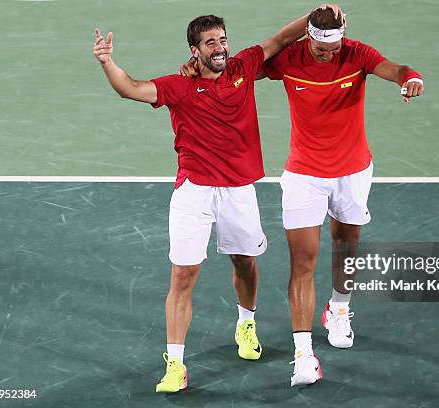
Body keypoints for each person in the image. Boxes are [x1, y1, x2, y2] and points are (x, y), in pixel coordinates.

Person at [92, 6, 343, 393]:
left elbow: (279, 40)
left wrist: (314, 18)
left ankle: (246, 322)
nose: (220, 47)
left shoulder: (243, 68)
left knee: (245, 263)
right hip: (194, 191)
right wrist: (108, 62)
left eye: (223, 39)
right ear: (195, 50)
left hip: (239, 190)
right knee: (182, 275)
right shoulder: (178, 87)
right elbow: (131, 88)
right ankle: (175, 364)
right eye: (211, 43)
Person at [260, 8, 425, 386]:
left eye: (333, 47)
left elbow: (397, 69)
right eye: (320, 46)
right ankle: (304, 355)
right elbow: (240, 70)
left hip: (353, 172)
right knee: (302, 262)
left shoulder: (356, 54)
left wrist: (411, 77)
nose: (328, 53)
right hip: (304, 176)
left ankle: (339, 308)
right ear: (308, 36)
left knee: (346, 246)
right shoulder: (288, 58)